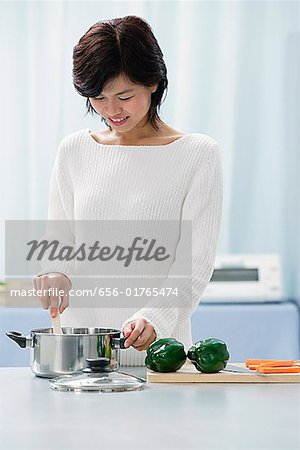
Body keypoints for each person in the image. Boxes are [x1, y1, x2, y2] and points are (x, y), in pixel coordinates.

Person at [33, 15, 223, 366]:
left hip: (158, 360)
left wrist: (154, 317)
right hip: (81, 359)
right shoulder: (74, 150)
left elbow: (194, 264)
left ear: (153, 82)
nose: (111, 111)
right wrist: (55, 271)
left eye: (124, 96)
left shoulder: (197, 154)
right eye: (99, 98)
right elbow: (59, 239)